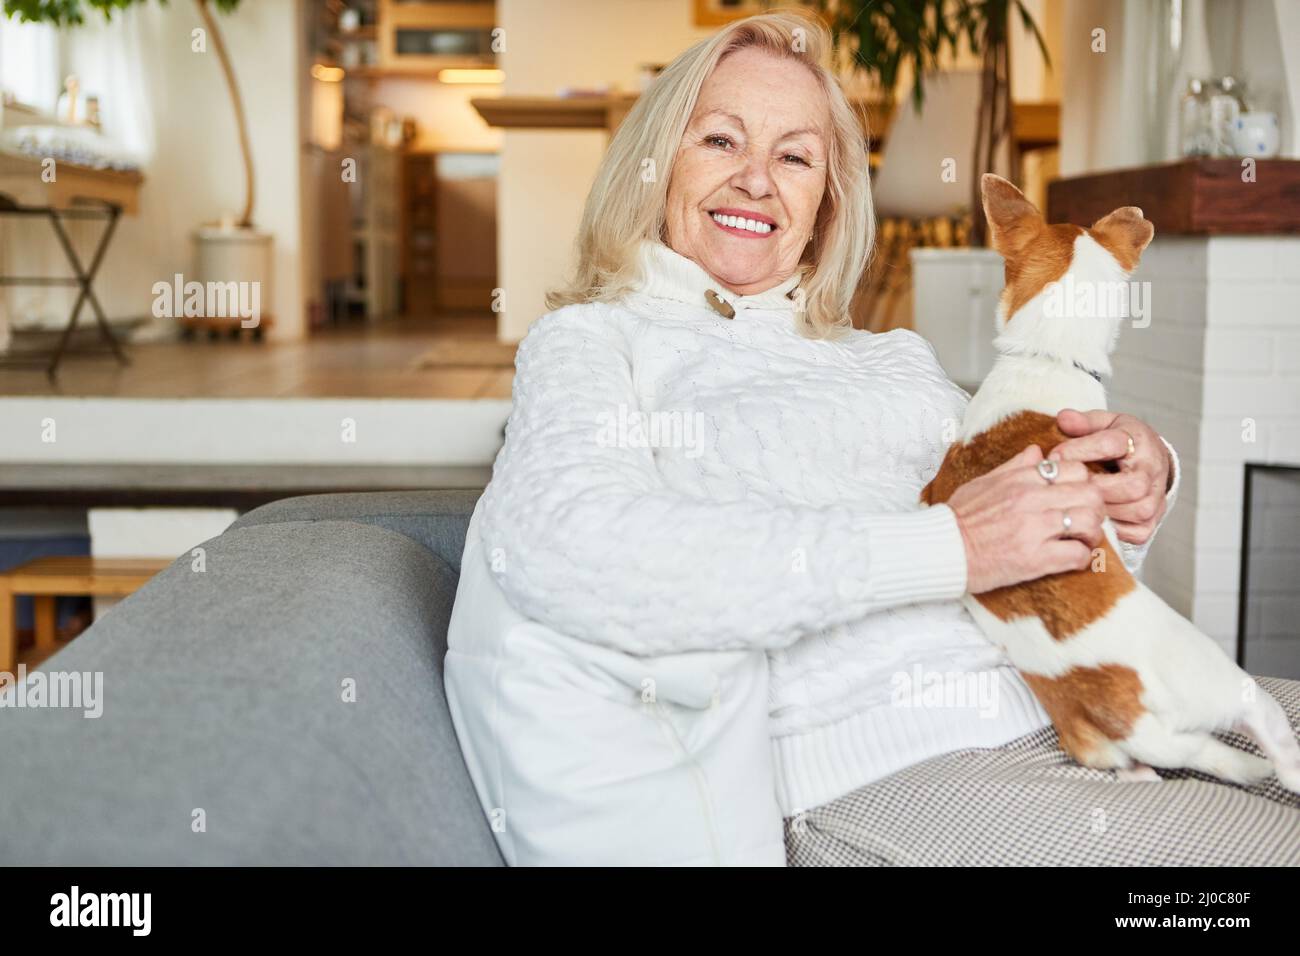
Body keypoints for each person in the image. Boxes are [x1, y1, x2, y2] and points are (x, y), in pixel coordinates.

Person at [443, 10, 1299, 866]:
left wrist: (1120, 494)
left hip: (1090, 692)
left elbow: (1026, 561)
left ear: (827, 202)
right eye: (720, 140)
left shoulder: (895, 359)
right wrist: (950, 546)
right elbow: (566, 546)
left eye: (794, 157)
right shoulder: (597, 342)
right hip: (894, 766)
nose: (755, 180)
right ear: (654, 162)